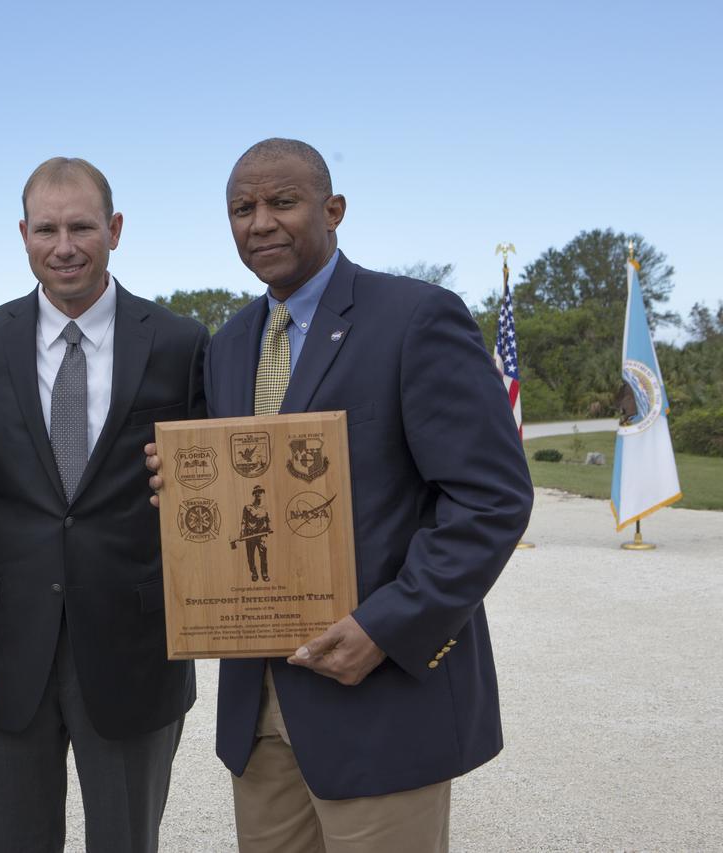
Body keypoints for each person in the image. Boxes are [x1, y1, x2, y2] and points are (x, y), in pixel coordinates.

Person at [147, 138, 533, 852]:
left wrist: (387, 627)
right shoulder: (229, 343)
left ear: (333, 210)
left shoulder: (416, 318)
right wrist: (183, 484)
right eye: (241, 208)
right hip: (259, 713)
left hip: (380, 703)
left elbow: (493, 498)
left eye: (281, 202)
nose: (259, 222)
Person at [0, 157, 208, 852]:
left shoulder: (181, 343)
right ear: (24, 235)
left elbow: (209, 490)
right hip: (12, 654)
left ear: (115, 229)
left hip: (137, 650)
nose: (64, 245)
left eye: (82, 226)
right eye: (47, 228)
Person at [237, 484, 271, 582]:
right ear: (254, 494)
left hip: (260, 536)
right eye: (257, 492)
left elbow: (268, 520)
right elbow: (243, 521)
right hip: (250, 536)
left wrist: (269, 528)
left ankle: (264, 574)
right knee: (250, 556)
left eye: (260, 492)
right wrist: (242, 532)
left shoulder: (265, 508)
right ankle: (254, 573)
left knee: (263, 554)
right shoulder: (247, 508)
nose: (259, 494)